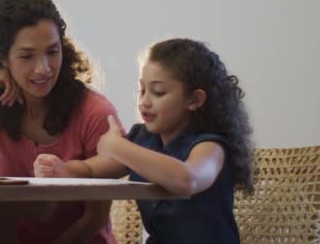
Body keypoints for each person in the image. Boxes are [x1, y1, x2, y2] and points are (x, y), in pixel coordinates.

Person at [0, 0, 125, 244]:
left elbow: (94, 220)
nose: (43, 68)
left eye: (52, 52)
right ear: (2, 58)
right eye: (27, 56)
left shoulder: (94, 111)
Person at [95, 38, 254, 243]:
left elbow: (187, 180)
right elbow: (93, 170)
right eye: (142, 90)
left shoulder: (211, 148)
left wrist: (118, 147)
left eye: (158, 92)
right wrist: (63, 169)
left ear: (194, 100)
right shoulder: (143, 139)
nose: (144, 101)